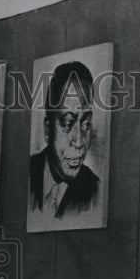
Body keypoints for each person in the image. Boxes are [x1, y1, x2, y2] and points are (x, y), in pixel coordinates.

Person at [29, 61, 100, 218]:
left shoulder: (94, 190)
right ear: (48, 130)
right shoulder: (27, 174)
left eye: (86, 123)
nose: (79, 141)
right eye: (68, 124)